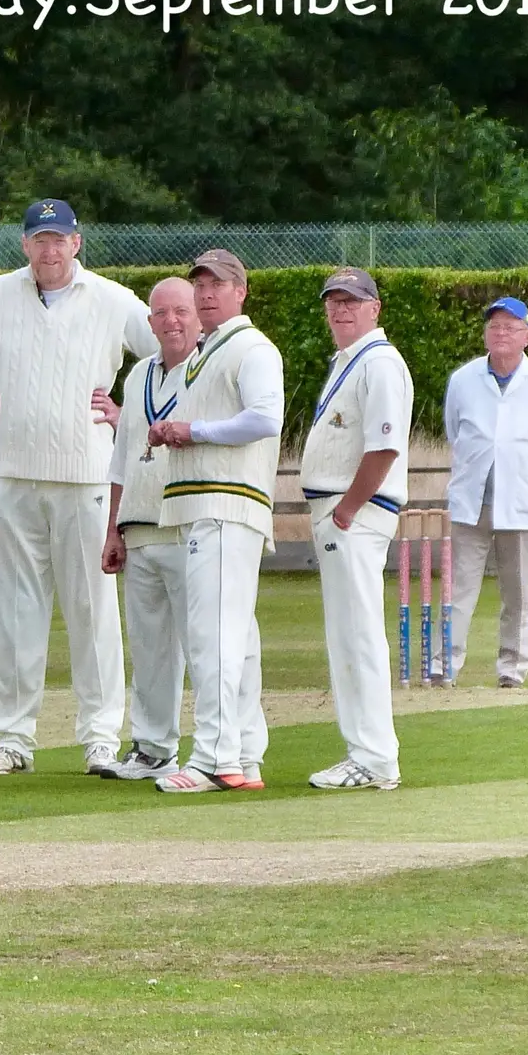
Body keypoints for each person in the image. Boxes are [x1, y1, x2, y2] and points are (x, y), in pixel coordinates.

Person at [0, 199, 157, 777]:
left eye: (60, 239)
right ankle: (12, 739)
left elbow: (171, 359)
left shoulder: (111, 299)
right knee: (16, 612)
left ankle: (102, 738)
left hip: (87, 477)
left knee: (92, 611)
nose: (50, 250)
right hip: (11, 477)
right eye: (40, 239)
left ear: (77, 243)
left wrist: (126, 410)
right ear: (25, 244)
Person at [144, 249, 284, 794]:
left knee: (213, 636)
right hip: (205, 506)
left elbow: (265, 417)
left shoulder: (251, 346)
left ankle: (213, 759)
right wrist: (175, 429)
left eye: (217, 285)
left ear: (240, 291)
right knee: (236, 639)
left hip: (227, 506)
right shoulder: (208, 351)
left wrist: (193, 430)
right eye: (199, 284)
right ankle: (244, 756)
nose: (205, 293)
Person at [299, 268, 414, 792]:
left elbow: (385, 446)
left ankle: (373, 756)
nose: (341, 310)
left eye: (352, 300)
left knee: (358, 635)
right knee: (346, 634)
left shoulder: (380, 362)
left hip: (356, 515)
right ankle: (365, 752)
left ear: (375, 308)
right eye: (334, 301)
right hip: (342, 512)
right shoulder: (351, 361)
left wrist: (347, 508)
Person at [99, 277, 197, 782]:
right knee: (149, 647)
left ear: (198, 316)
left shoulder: (208, 367)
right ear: (149, 321)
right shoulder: (139, 375)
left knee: (203, 643)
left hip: (188, 524)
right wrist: (114, 529)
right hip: (139, 527)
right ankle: (152, 748)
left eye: (180, 311)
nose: (171, 322)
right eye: (161, 313)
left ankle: (225, 749)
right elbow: (121, 459)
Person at [443, 297, 528, 687]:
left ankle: (512, 668)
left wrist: (517, 466)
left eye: (510, 327)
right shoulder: (463, 379)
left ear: (527, 336)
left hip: (520, 501)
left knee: (516, 593)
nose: (500, 333)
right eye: (494, 326)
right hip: (471, 501)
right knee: (459, 589)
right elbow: (454, 432)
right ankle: (445, 665)